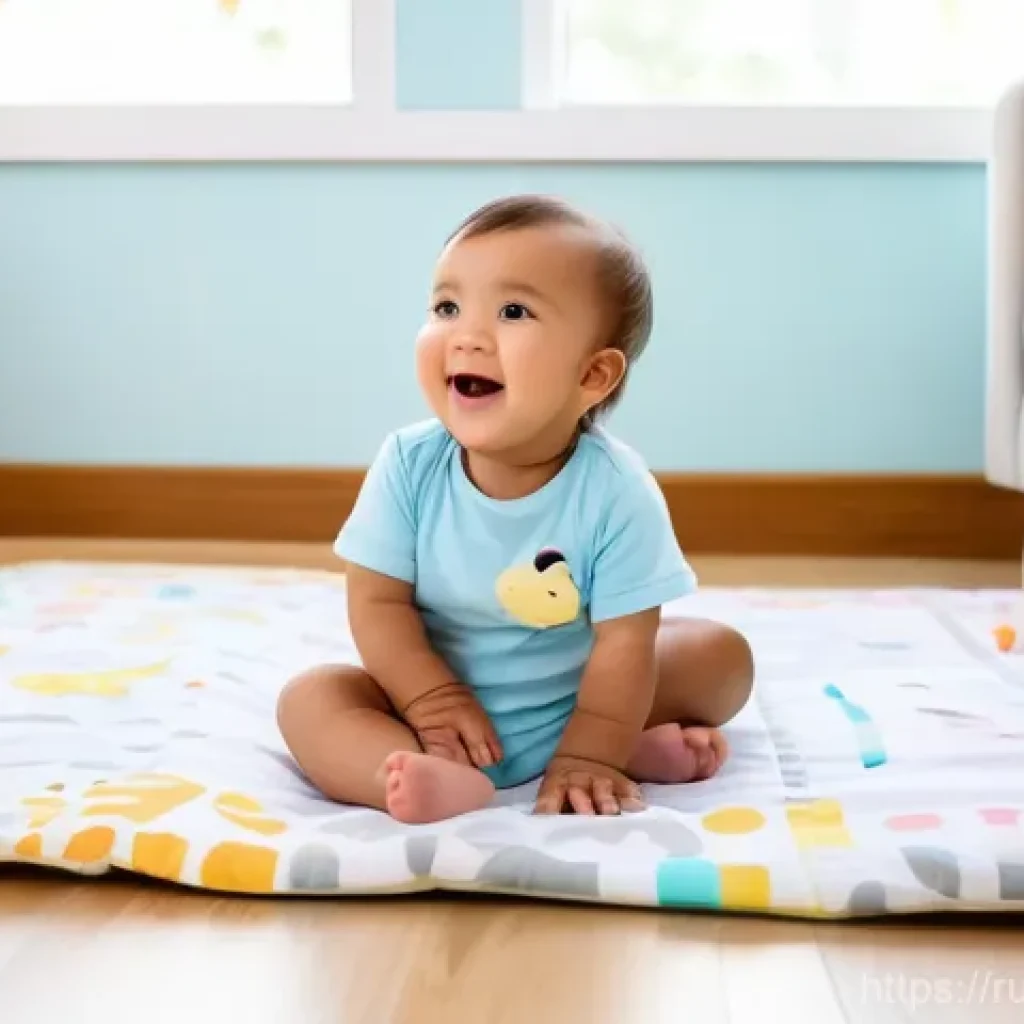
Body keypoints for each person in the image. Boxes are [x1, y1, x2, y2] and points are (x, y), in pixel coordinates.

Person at [277, 195, 754, 824]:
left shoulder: (617, 490)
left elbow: (622, 646)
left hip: (575, 699)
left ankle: (613, 748)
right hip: (423, 713)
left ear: (592, 376)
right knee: (311, 699)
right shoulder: (408, 463)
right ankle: (412, 775)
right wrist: (432, 699)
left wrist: (592, 753)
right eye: (447, 306)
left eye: (512, 311)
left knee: (721, 657)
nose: (466, 335)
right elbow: (376, 602)